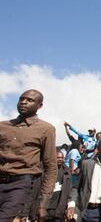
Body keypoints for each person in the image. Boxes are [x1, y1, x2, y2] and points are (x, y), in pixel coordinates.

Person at [0, 89, 57, 221]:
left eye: (29, 100)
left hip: (20, 185)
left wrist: (43, 203)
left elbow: (51, 167)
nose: (23, 102)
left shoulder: (46, 129)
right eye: (21, 99)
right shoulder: (3, 126)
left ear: (40, 106)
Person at [44, 151, 72, 222]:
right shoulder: (47, 170)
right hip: (46, 207)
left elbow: (69, 190)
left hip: (59, 208)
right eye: (58, 157)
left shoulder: (66, 172)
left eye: (62, 158)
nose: (60, 159)